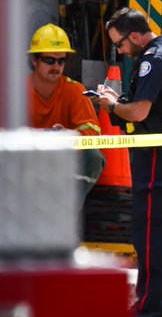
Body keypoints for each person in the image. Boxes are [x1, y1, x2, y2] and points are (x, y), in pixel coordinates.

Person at [95, 8, 162, 317]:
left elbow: (138, 112)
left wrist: (110, 104)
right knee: (158, 230)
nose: (120, 51)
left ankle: (150, 309)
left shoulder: (154, 60)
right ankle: (153, 303)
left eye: (119, 44)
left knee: (149, 231)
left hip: (154, 150)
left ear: (134, 36)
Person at [26, 23, 105, 193]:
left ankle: (65, 212)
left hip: (62, 161)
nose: (56, 66)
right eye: (49, 60)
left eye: (61, 61)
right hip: (24, 159)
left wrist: (69, 136)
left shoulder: (75, 91)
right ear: (34, 61)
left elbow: (93, 134)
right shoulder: (15, 90)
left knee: (93, 156)